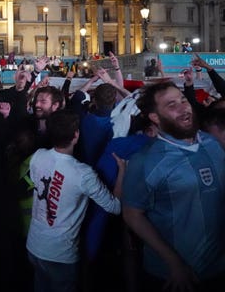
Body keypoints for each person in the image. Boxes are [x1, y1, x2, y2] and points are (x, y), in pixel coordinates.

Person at [122, 81, 225, 291]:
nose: (183, 107)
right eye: (171, 105)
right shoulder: (145, 162)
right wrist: (173, 262)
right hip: (174, 277)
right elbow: (132, 214)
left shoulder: (212, 144)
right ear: (155, 118)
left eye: (183, 100)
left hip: (219, 268)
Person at [26, 109, 125, 292]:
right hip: (60, 255)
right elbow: (115, 207)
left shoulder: (38, 156)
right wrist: (122, 173)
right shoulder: (83, 173)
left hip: (34, 246)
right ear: (76, 135)